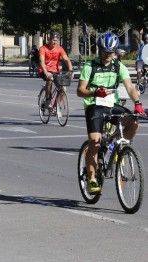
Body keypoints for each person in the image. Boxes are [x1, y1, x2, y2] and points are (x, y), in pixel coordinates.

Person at [77, 32, 145, 194]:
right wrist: (95, 92)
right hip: (94, 105)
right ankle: (92, 178)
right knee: (95, 141)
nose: (108, 55)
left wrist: (138, 103)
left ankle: (120, 146)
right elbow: (80, 90)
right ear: (99, 50)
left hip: (111, 104)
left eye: (111, 52)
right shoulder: (90, 66)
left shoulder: (118, 66)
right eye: (105, 52)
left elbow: (129, 87)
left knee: (134, 122)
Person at [38, 32, 73, 105]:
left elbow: (66, 59)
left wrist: (70, 70)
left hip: (55, 71)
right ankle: (47, 99)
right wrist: (46, 72)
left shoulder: (59, 49)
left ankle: (56, 105)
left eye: (56, 40)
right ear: (49, 40)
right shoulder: (43, 48)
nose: (55, 42)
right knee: (49, 79)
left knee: (63, 88)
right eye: (53, 40)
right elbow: (42, 61)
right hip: (44, 70)